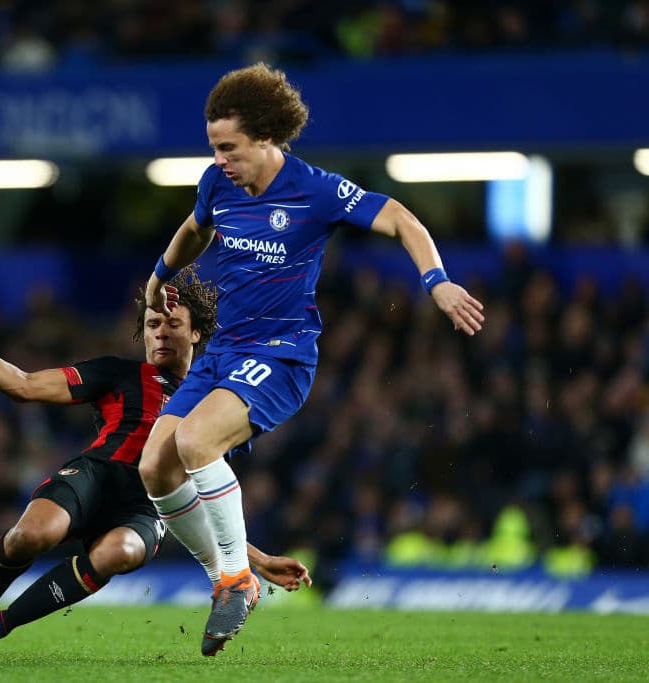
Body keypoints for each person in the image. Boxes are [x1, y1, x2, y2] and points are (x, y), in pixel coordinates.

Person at [138, 63, 486, 656]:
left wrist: (436, 281)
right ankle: (235, 575)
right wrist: (159, 275)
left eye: (230, 148)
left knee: (196, 444)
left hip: (281, 356)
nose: (220, 159)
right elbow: (196, 228)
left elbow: (399, 217)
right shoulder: (217, 183)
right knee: (156, 468)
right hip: (222, 351)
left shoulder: (315, 190)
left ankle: (233, 580)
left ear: (267, 136)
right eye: (214, 148)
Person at [0, 268, 311, 659]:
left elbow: (207, 504)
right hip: (96, 475)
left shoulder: (216, 407)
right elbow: (23, 385)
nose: (161, 333)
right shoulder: (119, 373)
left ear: (197, 332)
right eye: (152, 324)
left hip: (147, 509)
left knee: (120, 551)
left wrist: (254, 560)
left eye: (172, 323)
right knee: (30, 535)